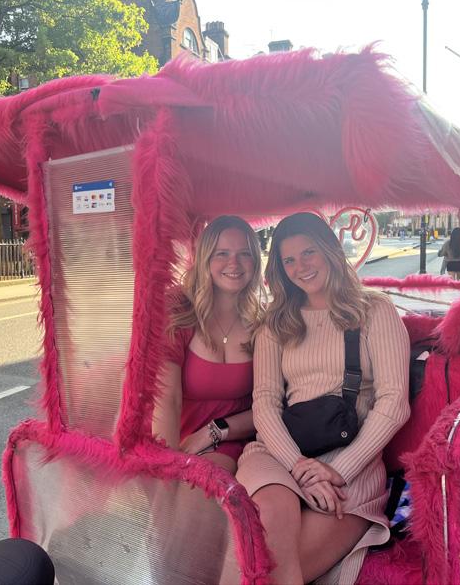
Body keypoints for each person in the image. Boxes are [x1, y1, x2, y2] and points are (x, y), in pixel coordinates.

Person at [236, 212, 410, 584]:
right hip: (279, 453)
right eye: (289, 260)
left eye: (309, 252)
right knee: (260, 529)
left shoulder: (374, 310)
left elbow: (394, 402)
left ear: (329, 250)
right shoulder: (275, 323)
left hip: (352, 462)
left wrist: (338, 470)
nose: (301, 267)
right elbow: (265, 403)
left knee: (271, 570)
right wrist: (298, 467)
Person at [154, 215, 265, 473]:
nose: (233, 263)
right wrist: (167, 463)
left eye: (244, 254)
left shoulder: (263, 323)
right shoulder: (178, 310)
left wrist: (213, 431)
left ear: (255, 261)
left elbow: (269, 408)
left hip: (231, 440)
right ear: (204, 258)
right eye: (221, 253)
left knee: (202, 482)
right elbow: (167, 398)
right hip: (172, 436)